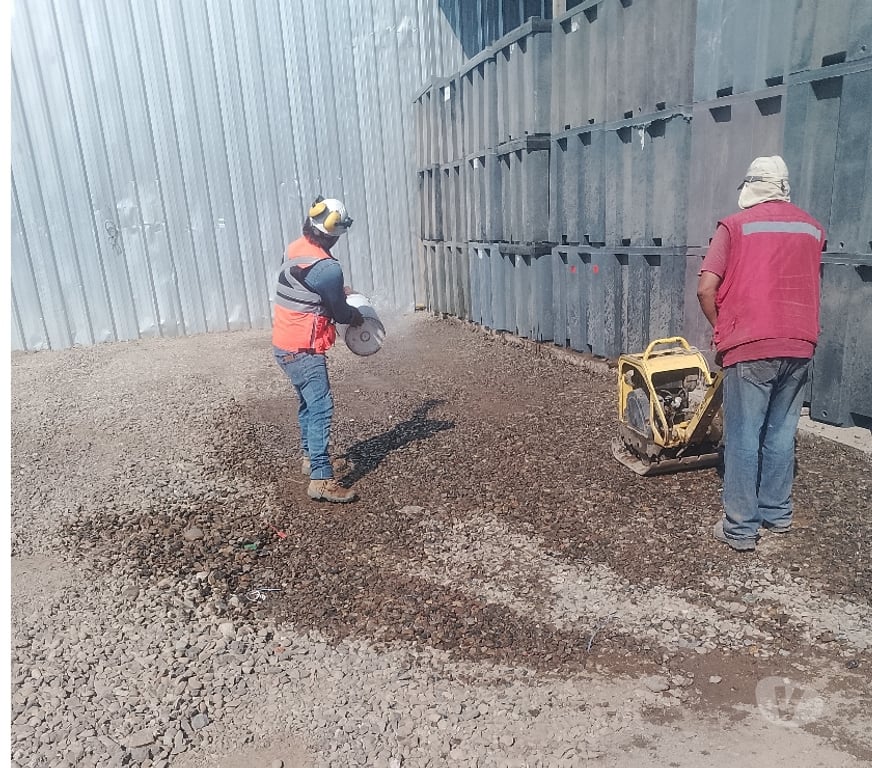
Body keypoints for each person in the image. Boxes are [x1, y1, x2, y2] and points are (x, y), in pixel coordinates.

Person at [696, 156, 824, 551]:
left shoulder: (735, 226)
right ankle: (777, 513)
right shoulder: (812, 228)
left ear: (751, 187)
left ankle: (740, 528)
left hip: (751, 343)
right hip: (800, 342)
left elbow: (705, 289)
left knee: (743, 435)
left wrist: (723, 333)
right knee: (783, 432)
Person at [273, 196, 365, 503]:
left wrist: (339, 292)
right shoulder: (328, 268)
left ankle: (311, 459)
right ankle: (321, 480)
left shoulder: (296, 247)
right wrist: (356, 315)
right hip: (304, 349)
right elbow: (339, 314)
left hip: (284, 344)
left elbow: (309, 286)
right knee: (321, 407)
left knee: (307, 405)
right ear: (332, 233)